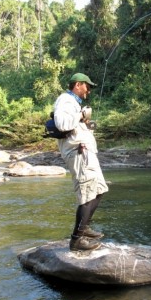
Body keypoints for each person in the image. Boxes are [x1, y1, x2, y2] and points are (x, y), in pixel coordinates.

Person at [53, 73, 109, 251]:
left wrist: (85, 122)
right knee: (86, 193)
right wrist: (80, 114)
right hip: (79, 153)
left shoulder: (73, 103)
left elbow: (73, 126)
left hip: (86, 152)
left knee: (99, 189)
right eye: (87, 86)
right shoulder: (65, 100)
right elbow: (62, 124)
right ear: (78, 84)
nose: (89, 90)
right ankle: (77, 240)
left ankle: (84, 229)